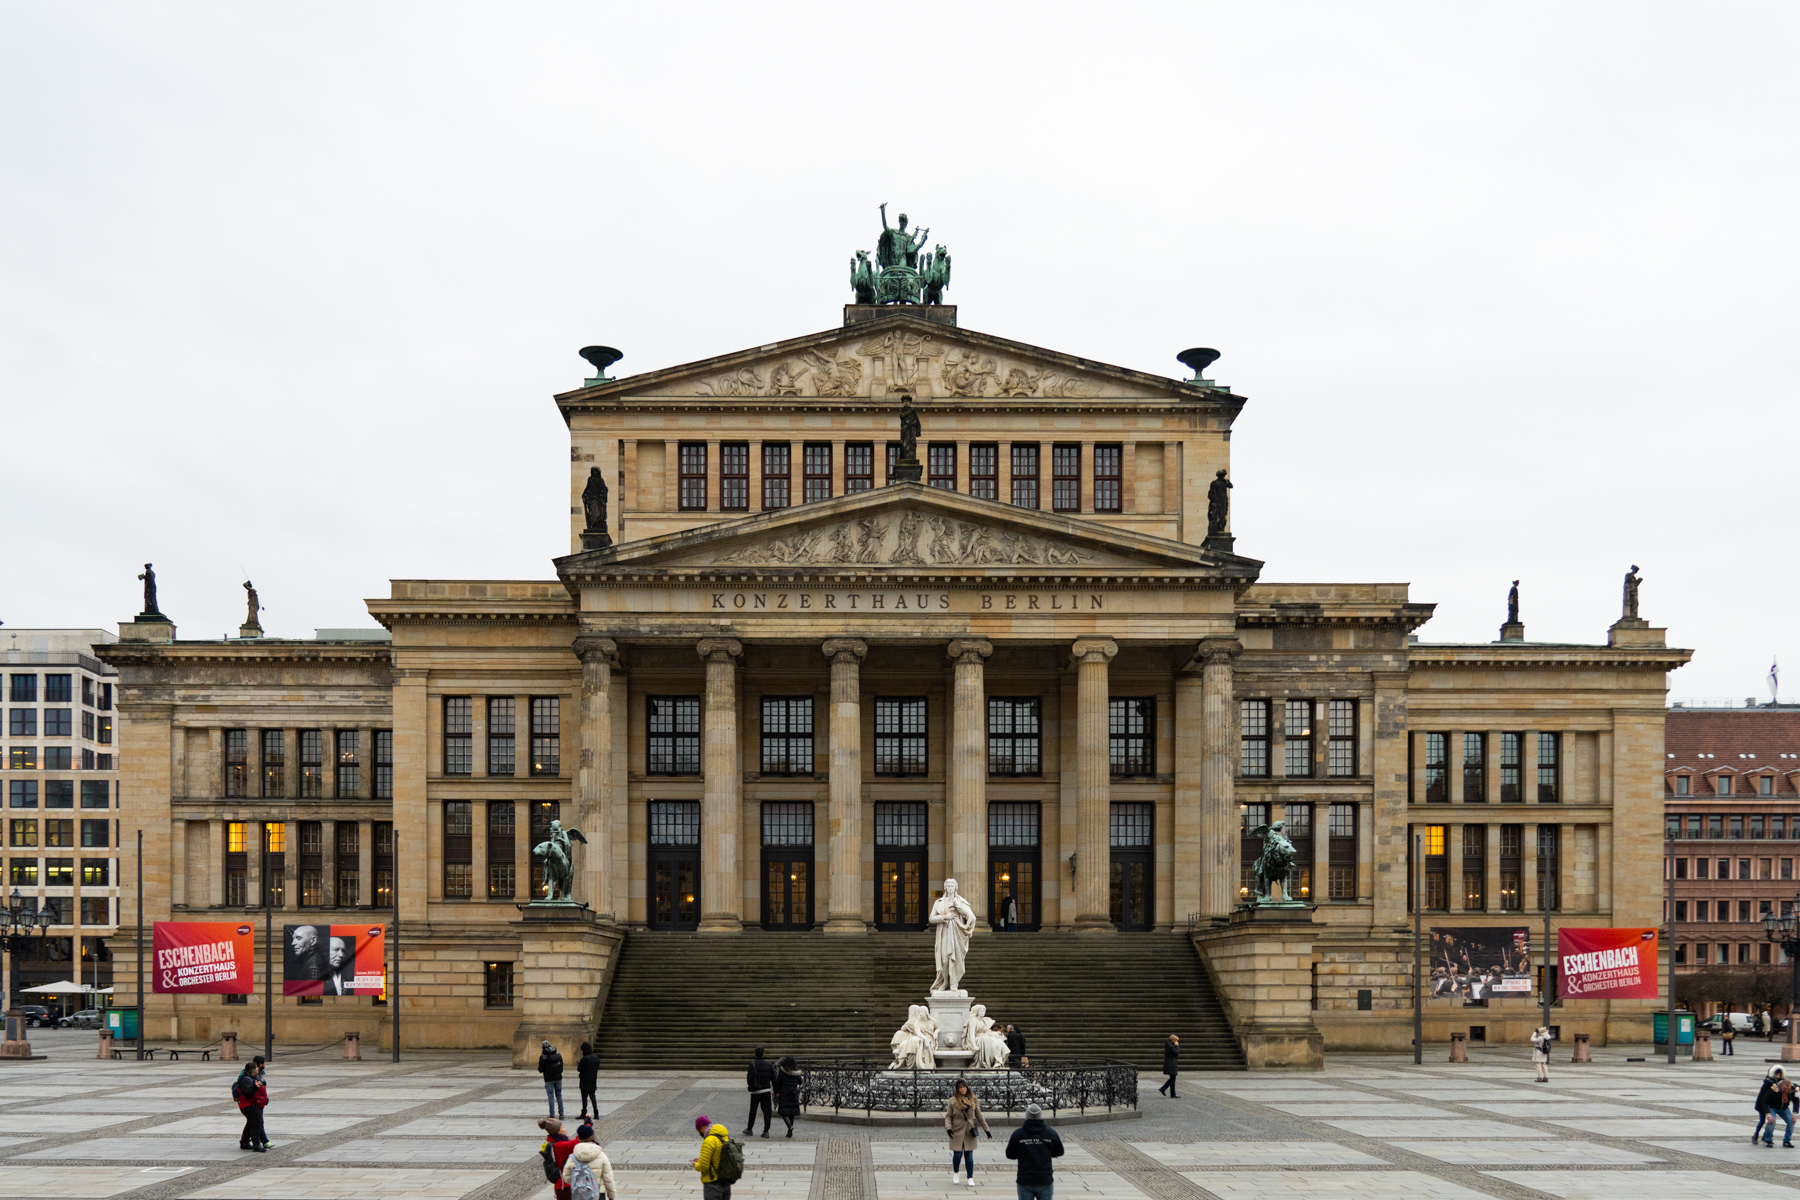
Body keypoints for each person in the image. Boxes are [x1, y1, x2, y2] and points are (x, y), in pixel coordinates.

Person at [1004, 1102, 1064, 1200]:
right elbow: (1059, 1151)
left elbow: (1010, 1154)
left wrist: (1022, 1152)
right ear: (1040, 1116)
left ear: (1027, 1116)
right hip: (1044, 1178)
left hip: (1025, 1179)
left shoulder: (1018, 1134)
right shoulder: (1050, 1133)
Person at [944, 1078, 992, 1187]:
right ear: (957, 1089)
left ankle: (970, 1177)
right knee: (957, 1155)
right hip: (956, 1131)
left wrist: (986, 1130)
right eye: (960, 1088)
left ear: (967, 1087)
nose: (962, 1089)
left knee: (969, 1156)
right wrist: (948, 1128)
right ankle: (956, 1173)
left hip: (969, 1131)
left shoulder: (973, 1100)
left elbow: (979, 1116)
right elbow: (948, 1117)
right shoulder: (952, 1101)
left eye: (964, 1087)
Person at [562, 1121, 619, 1200]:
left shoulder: (573, 1157)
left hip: (580, 1194)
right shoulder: (601, 1155)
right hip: (598, 1192)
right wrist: (611, 1195)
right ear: (593, 1137)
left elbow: (566, 1178)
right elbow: (608, 1178)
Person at [693, 1115, 733, 1200]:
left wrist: (696, 1165)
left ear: (702, 1127)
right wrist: (702, 1159)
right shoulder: (726, 1137)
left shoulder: (709, 1140)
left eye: (698, 1130)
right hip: (726, 1184)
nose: (700, 1133)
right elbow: (718, 1157)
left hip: (713, 1185)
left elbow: (703, 1166)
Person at [234, 1055, 269, 1151]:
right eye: (256, 1068)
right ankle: (256, 1145)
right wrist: (255, 1087)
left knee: (251, 1123)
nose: (258, 1069)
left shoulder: (252, 1078)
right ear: (252, 1070)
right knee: (257, 1124)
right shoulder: (246, 1079)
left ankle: (244, 1142)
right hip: (249, 1105)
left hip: (254, 1104)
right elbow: (248, 1093)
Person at [538, 1117, 578, 1200]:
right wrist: (587, 1125)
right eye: (562, 1127)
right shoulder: (560, 1146)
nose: (565, 1129)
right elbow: (579, 1141)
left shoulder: (553, 1143)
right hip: (565, 1187)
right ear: (557, 1131)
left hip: (562, 1185)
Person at [1757, 1067, 1796, 1148]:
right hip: (1772, 1107)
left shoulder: (1792, 1090)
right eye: (1784, 1089)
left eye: (1788, 1089)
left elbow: (1796, 1101)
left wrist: (1795, 1114)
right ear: (1780, 1087)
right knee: (1772, 1121)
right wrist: (1768, 1115)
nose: (1786, 1091)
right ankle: (1768, 1140)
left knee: (1791, 1121)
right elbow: (1763, 1102)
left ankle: (1787, 1141)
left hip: (1784, 1108)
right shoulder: (1773, 1090)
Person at [746, 1046, 776, 1138]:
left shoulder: (752, 1064)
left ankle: (749, 1129)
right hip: (766, 1090)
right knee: (767, 1111)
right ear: (763, 1054)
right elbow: (773, 1079)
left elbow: (749, 1078)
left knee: (753, 1110)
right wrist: (775, 1090)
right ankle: (766, 1131)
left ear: (754, 1054)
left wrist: (751, 1085)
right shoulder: (769, 1064)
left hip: (756, 1091)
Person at [774, 1055, 803, 1139]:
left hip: (784, 1093)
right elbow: (800, 1081)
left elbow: (779, 1082)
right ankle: (790, 1130)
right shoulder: (796, 1073)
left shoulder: (783, 1071)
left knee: (784, 1111)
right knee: (792, 1112)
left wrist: (776, 1092)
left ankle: (789, 1125)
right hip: (793, 1093)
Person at [539, 1039, 566, 1118]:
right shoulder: (558, 1054)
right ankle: (561, 1113)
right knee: (559, 1095)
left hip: (548, 1079)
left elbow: (541, 1069)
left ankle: (552, 1114)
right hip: (558, 1077)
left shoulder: (543, 1056)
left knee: (551, 1096)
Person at [577, 1041, 601, 1122]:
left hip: (584, 1080)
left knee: (584, 1097)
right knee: (593, 1097)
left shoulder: (585, 1058)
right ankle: (596, 1113)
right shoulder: (595, 1057)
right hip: (593, 1080)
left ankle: (584, 1113)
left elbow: (580, 1069)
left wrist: (579, 1064)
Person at [1158, 1034, 1179, 1098]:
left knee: (1172, 1078)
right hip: (1171, 1063)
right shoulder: (1171, 1046)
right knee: (1173, 1079)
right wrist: (1177, 1046)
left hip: (1170, 1063)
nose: (1177, 1042)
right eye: (1176, 1040)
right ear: (1173, 1040)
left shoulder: (1168, 1045)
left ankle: (1163, 1089)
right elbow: (1176, 1052)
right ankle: (1172, 1093)